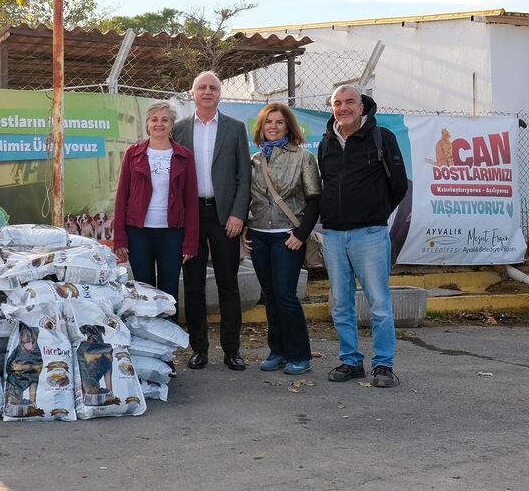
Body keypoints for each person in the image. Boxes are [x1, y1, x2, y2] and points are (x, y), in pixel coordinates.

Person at [318, 85, 408, 388]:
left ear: (361, 106)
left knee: (379, 303)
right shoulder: (326, 142)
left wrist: (375, 211)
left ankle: (383, 365)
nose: (343, 108)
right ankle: (350, 361)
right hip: (333, 235)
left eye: (349, 102)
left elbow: (398, 185)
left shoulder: (382, 138)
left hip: (370, 233)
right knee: (341, 303)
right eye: (337, 103)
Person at [172, 71, 251, 371]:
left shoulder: (234, 129)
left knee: (228, 284)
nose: (207, 92)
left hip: (224, 217)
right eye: (202, 87)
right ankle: (199, 349)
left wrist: (238, 214)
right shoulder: (179, 129)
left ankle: (232, 350)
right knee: (193, 286)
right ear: (192, 93)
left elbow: (244, 176)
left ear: (220, 94)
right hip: (190, 216)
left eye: (213, 88)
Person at [243, 103, 320, 375]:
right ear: (261, 127)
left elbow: (314, 200)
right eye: (268, 122)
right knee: (271, 297)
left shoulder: (303, 157)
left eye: (278, 122)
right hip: (258, 235)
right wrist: (243, 233)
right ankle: (277, 351)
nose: (273, 127)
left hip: (288, 236)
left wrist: (301, 234)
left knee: (286, 296)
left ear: (289, 126)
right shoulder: (254, 161)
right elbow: (246, 199)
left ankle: (300, 355)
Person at [112, 100, 199, 326]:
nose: (159, 124)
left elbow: (190, 201)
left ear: (172, 125)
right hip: (139, 232)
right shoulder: (133, 154)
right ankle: (146, 341)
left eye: (165, 120)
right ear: (147, 124)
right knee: (143, 289)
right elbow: (122, 196)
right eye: (154, 119)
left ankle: (167, 344)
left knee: (169, 290)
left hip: (172, 233)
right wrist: (120, 237)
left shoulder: (184, 156)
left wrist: (190, 241)